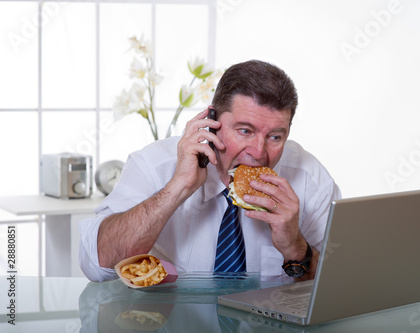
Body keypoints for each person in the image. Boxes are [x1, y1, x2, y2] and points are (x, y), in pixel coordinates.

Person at [79, 60, 341, 282]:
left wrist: (296, 247)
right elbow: (97, 264)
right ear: (212, 122)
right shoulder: (154, 164)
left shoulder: (309, 177)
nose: (259, 152)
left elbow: (345, 285)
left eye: (275, 136)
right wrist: (178, 187)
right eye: (245, 131)